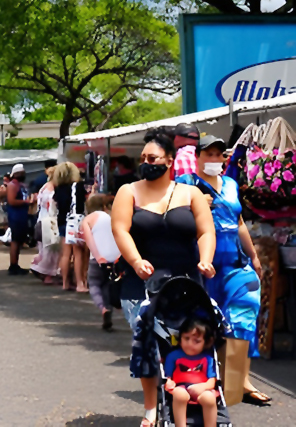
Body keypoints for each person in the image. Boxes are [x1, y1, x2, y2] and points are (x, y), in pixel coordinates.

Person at [111, 129, 216, 427]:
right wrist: (135, 260)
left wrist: (206, 259)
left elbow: (206, 231)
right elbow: (120, 229)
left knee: (188, 345)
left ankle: (184, 407)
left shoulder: (191, 192)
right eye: (142, 157)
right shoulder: (128, 191)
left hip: (185, 284)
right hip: (141, 283)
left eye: (152, 157)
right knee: (147, 345)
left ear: (169, 160)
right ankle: (150, 409)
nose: (146, 162)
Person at [177, 135, 270, 406]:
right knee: (208, 324)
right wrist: (193, 206)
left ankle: (239, 381)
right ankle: (207, 381)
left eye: (219, 155)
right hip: (202, 265)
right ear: (197, 158)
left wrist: (253, 255)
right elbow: (171, 217)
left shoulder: (230, 183)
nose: (215, 160)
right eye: (209, 154)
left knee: (243, 317)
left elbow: (239, 221)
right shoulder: (185, 184)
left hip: (236, 263)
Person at [163, 317, 219, 427]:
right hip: (181, 386)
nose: (190, 344)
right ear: (180, 339)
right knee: (179, 395)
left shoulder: (207, 359)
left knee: (209, 398)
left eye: (196, 341)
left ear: (206, 343)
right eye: (186, 338)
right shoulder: (173, 356)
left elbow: (212, 380)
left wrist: (203, 387)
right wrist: (169, 382)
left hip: (202, 388)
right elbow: (167, 376)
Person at [81, 193, 118, 331]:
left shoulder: (88, 220)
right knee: (107, 285)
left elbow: (89, 241)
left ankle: (103, 309)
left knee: (94, 284)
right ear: (104, 206)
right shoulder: (111, 218)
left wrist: (97, 256)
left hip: (98, 258)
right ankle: (109, 310)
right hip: (114, 257)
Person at [53, 162, 88, 292]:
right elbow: (82, 202)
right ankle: (80, 284)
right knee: (78, 252)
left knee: (65, 254)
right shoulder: (77, 186)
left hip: (62, 220)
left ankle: (65, 283)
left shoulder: (58, 188)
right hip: (74, 221)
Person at [30, 165, 61, 285]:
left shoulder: (44, 187)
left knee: (43, 249)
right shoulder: (52, 189)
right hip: (49, 221)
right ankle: (44, 271)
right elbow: (52, 206)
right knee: (51, 249)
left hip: (41, 219)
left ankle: (40, 267)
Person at [5, 164, 33, 275]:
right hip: (15, 216)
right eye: (20, 172)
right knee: (15, 240)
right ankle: (13, 265)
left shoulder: (22, 185)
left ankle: (16, 263)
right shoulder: (12, 185)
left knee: (20, 240)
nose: (23, 174)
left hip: (23, 215)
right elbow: (11, 201)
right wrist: (25, 202)